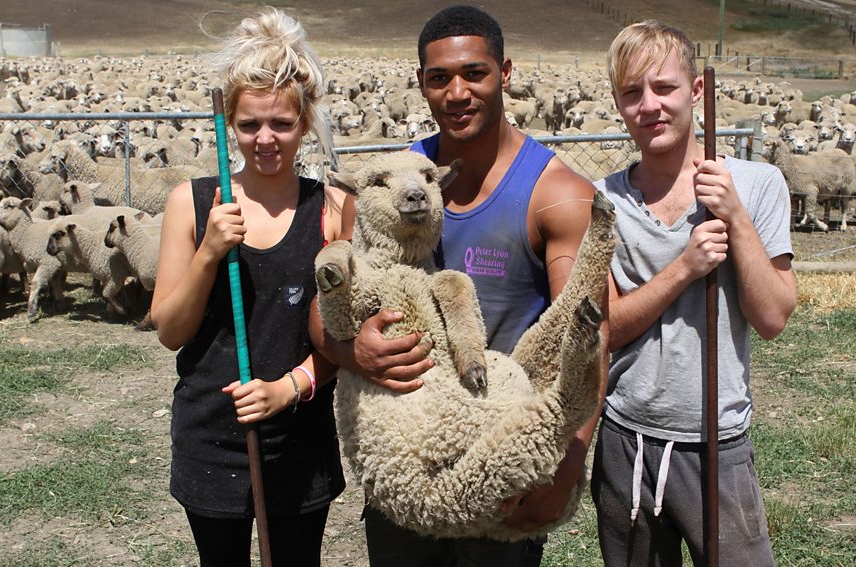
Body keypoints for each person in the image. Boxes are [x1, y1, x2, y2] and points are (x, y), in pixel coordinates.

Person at [309, 5, 606, 566]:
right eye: (439, 78)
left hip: (503, 468)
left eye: (475, 73)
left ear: (506, 72)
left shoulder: (555, 191)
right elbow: (328, 312)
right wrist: (355, 351)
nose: (457, 92)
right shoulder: (385, 183)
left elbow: (586, 323)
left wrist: (567, 457)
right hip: (405, 456)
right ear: (421, 83)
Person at [590, 20, 797, 567]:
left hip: (717, 441)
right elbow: (605, 328)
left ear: (697, 91)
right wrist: (684, 268)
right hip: (627, 438)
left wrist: (735, 217)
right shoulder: (602, 201)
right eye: (632, 93)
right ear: (617, 102)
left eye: (664, 87)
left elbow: (774, 316)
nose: (650, 106)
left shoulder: (756, 184)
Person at [150, 9, 350, 566]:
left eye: (281, 124)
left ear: (305, 123)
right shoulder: (191, 204)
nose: (265, 139)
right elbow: (170, 330)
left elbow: (345, 339)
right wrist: (210, 252)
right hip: (210, 438)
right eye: (249, 125)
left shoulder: (332, 210)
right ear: (230, 126)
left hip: (298, 441)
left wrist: (291, 386)